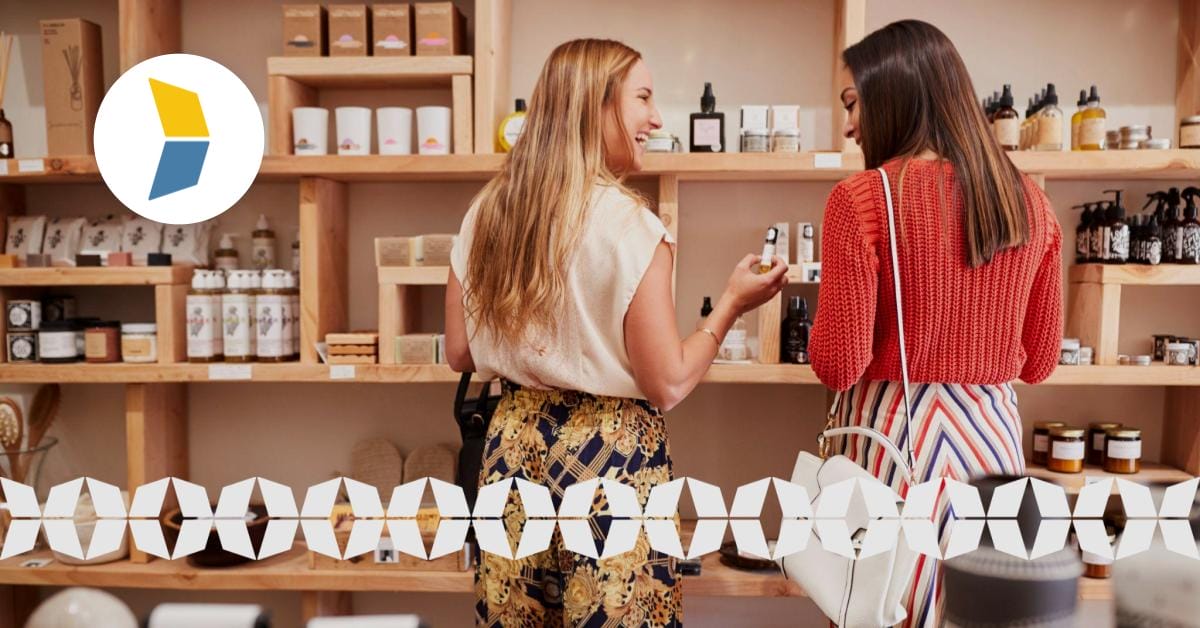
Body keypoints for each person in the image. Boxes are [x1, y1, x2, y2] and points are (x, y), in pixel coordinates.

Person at [444, 38, 788, 627]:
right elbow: (668, 383)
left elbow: (459, 352)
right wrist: (731, 304)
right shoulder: (630, 224)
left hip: (511, 447)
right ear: (593, 106)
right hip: (608, 462)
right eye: (643, 98)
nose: (656, 118)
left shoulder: (488, 211)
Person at [809, 20, 1063, 628]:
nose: (849, 124)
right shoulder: (1030, 201)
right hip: (991, 451)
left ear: (893, 91)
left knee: (879, 607)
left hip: (892, 449)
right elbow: (1040, 360)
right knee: (981, 612)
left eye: (853, 102)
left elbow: (838, 364)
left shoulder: (864, 200)